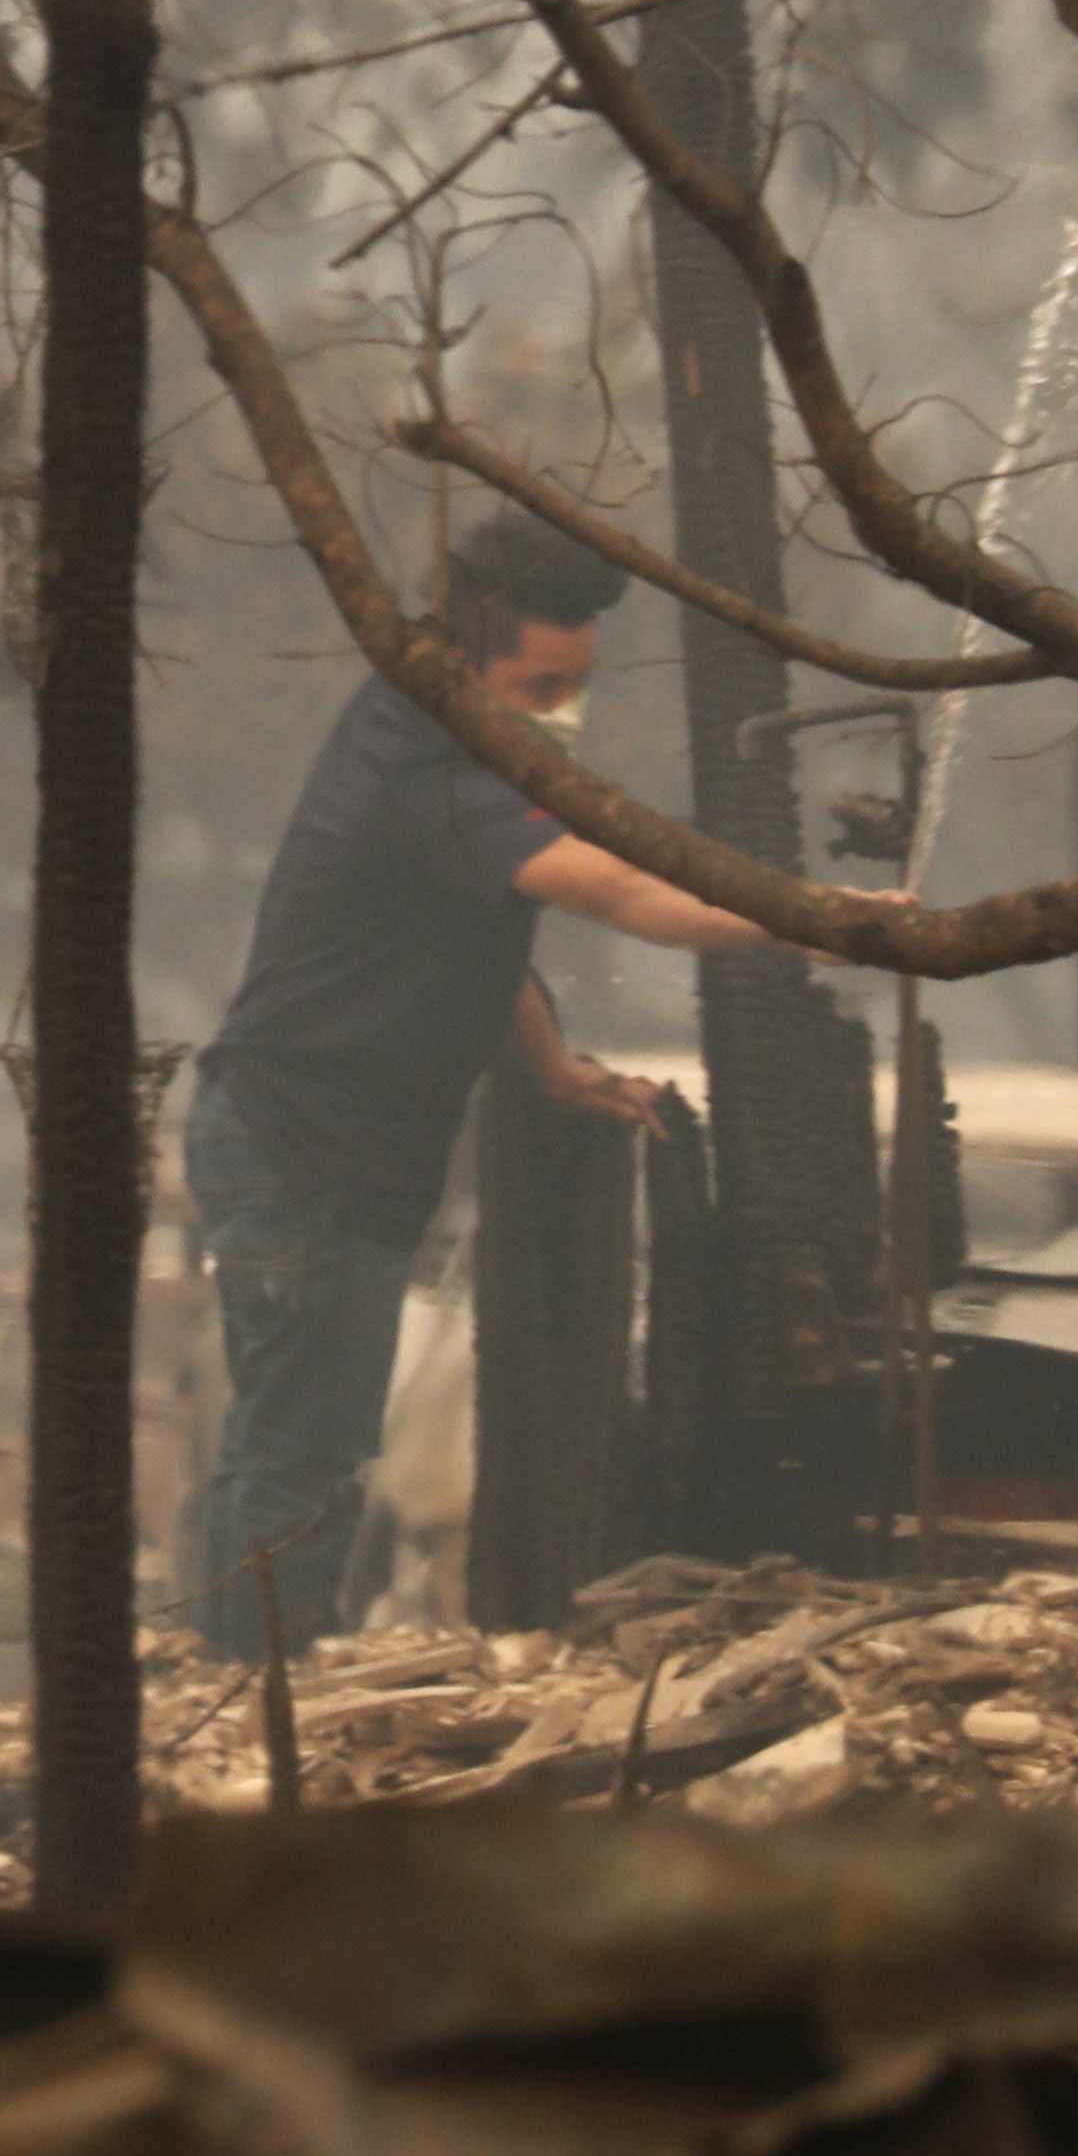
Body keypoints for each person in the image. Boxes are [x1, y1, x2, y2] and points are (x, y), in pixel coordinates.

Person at [181, 510, 825, 1649]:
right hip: (300, 1147)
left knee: (290, 1448)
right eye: (539, 683)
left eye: (576, 685)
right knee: (303, 1459)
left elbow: (476, 941)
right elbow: (615, 887)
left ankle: (225, 1686)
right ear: (470, 656)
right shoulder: (432, 757)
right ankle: (244, 1702)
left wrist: (551, 1063)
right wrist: (807, 919)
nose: (560, 714)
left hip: (332, 1151)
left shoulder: (449, 741)